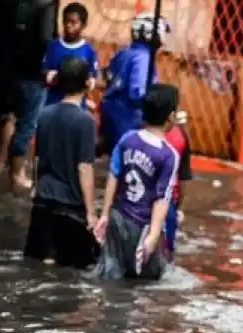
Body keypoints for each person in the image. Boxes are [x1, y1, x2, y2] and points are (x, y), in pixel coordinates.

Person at [93, 84, 181, 281]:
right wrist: (154, 234)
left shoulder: (127, 139)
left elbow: (113, 175)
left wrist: (105, 214)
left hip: (117, 217)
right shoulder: (168, 155)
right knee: (145, 281)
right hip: (141, 227)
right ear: (171, 116)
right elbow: (162, 197)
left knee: (110, 274)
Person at [25, 56, 98, 268]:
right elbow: (84, 167)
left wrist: (36, 187)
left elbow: (37, 157)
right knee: (71, 269)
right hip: (69, 206)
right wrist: (91, 212)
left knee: (38, 264)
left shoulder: (45, 114)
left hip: (42, 201)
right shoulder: (85, 121)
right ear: (87, 83)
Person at [0, 0, 56, 192]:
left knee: (5, 117)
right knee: (26, 126)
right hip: (32, 74)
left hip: (5, 70)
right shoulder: (45, 5)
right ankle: (16, 174)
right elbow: (45, 39)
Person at [99, 12, 170, 155]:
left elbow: (107, 75)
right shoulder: (143, 58)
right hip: (129, 118)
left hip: (111, 111)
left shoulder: (124, 52)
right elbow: (137, 93)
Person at [42, 3, 99, 107]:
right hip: (52, 105)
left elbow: (92, 81)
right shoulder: (53, 46)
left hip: (76, 108)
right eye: (65, 21)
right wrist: (54, 77)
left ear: (83, 25)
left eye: (73, 22)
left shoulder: (89, 51)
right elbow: (43, 72)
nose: (68, 25)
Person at [163, 110, 193, 259]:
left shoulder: (136, 134)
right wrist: (180, 209)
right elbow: (184, 176)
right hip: (169, 200)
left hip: (139, 201)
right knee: (167, 252)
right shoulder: (181, 138)